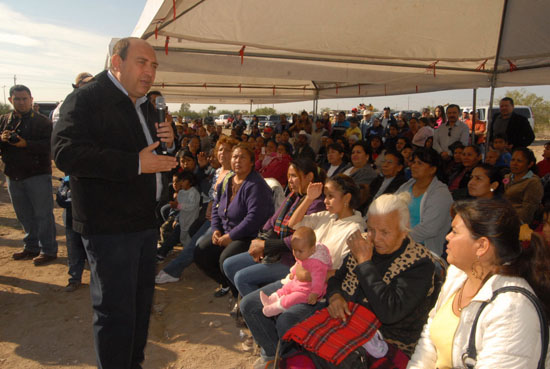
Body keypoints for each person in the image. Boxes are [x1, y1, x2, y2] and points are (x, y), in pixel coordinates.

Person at [52, 37, 178, 369]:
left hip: (145, 222)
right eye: (142, 63)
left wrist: (168, 141)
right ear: (116, 63)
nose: (150, 72)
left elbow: (155, 157)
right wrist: (134, 164)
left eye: (154, 66)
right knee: (115, 311)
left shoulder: (147, 105)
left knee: (139, 306)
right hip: (109, 226)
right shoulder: (85, 100)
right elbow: (65, 153)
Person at [294, 193, 438, 368]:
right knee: (296, 345)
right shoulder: (363, 242)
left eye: (385, 232)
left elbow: (389, 313)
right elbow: (336, 279)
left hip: (388, 340)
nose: (375, 238)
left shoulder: (419, 263)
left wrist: (364, 263)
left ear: (404, 230)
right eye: (371, 229)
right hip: (348, 326)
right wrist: (335, 297)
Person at [408, 199, 550, 369]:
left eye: (454, 232)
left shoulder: (512, 307)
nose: (447, 237)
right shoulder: (458, 274)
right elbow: (428, 342)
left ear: (481, 245)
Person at [240, 174, 366, 367]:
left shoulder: (354, 229)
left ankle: (287, 359)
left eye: (330, 196)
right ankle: (274, 356)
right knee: (250, 305)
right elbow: (293, 224)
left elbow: (343, 271)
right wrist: (308, 198)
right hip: (294, 282)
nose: (325, 201)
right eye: (325, 195)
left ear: (347, 198)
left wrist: (307, 274)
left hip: (319, 292)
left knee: (286, 319)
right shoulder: (326, 217)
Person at [223, 158, 326, 298]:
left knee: (242, 278)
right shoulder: (293, 196)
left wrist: (266, 246)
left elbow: (298, 239)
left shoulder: (316, 204)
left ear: (309, 177)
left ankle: (257, 309)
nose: (290, 180)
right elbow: (272, 221)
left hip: (291, 259)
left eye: (294, 176)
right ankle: (248, 302)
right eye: (288, 176)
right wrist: (259, 241)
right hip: (274, 251)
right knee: (229, 264)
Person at [194, 144, 273, 297]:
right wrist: (216, 228)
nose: (237, 160)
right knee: (200, 252)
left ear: (251, 162)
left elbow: (254, 218)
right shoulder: (228, 180)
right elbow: (217, 206)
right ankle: (227, 284)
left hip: (248, 235)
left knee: (226, 260)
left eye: (242, 157)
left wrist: (231, 237)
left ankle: (241, 295)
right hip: (226, 229)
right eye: (235, 157)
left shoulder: (256, 185)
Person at [155, 136, 238, 283]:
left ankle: (172, 271)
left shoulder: (235, 175)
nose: (222, 153)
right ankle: (173, 270)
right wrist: (210, 207)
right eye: (220, 149)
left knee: (196, 245)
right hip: (211, 216)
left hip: (223, 220)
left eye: (227, 150)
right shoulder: (218, 172)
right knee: (194, 241)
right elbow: (210, 191)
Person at [1, 85, 58, 265]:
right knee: (23, 214)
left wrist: (25, 144)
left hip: (37, 175)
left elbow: (50, 147)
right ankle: (31, 247)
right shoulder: (3, 120)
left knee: (43, 214)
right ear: (10, 100)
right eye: (17, 99)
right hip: (13, 175)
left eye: (25, 98)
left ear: (31, 99)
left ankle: (48, 249)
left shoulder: (43, 122)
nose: (21, 102)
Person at [260, 226, 331, 317]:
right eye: (294, 250)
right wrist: (293, 272)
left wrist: (315, 293)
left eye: (300, 251)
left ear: (312, 249)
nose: (296, 254)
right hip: (298, 283)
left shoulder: (317, 263)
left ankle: (276, 308)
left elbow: (319, 280)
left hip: (308, 291)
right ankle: (271, 299)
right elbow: (298, 263)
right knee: (286, 288)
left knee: (292, 298)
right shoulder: (304, 254)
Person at [396, 148, 453, 255]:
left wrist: (398, 239)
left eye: (419, 163)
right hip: (398, 241)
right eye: (413, 162)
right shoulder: (407, 185)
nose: (413, 166)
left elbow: (429, 229)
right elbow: (391, 207)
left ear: (432, 169)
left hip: (423, 249)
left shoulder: (440, 193)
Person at [503, 147, 544, 225]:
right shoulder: (507, 177)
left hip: (517, 223)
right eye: (513, 160)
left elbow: (528, 211)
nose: (514, 163)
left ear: (530, 164)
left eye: (519, 161)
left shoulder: (533, 182)